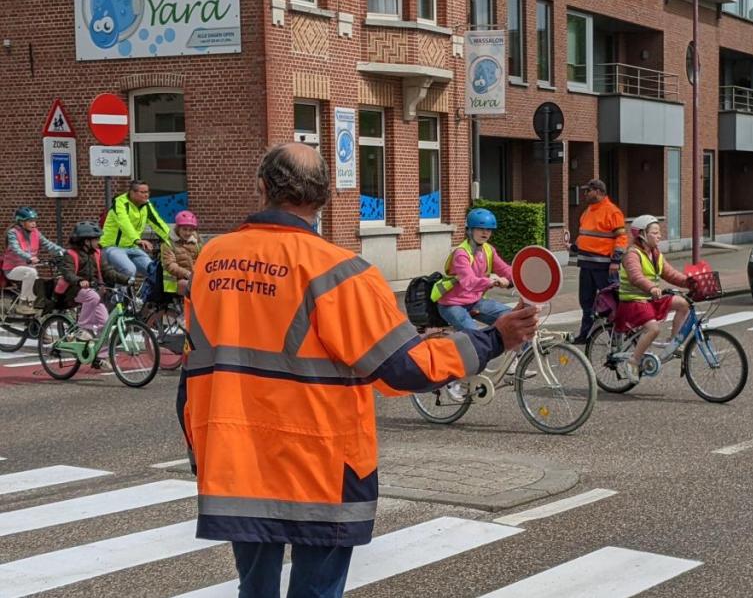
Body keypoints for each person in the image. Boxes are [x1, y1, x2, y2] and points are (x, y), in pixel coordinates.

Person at [178, 143, 539, 598]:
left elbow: (195, 368)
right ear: (325, 197)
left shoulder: (212, 261)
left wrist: (200, 450)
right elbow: (403, 369)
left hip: (236, 459)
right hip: (321, 468)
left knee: (254, 590)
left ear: (262, 188)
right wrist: (493, 339)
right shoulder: (341, 272)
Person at [616, 215, 690, 384]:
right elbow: (636, 277)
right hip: (633, 300)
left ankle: (674, 343)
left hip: (650, 298)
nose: (659, 236)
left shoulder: (655, 254)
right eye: (655, 233)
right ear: (642, 234)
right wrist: (651, 287)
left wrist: (689, 282)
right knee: (653, 329)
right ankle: (633, 361)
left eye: (659, 232)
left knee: (683, 303)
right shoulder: (632, 254)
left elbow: (670, 274)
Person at [432, 208, 514, 331]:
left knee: (512, 317)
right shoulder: (461, 253)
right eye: (480, 229)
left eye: (488, 229)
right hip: (453, 304)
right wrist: (492, 281)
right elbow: (469, 282)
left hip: (474, 301)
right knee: (474, 335)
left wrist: (521, 278)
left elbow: (504, 269)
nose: (485, 233)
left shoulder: (488, 250)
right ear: (470, 230)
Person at [571, 179, 628, 344]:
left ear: (597, 191)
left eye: (587, 191)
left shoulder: (612, 212)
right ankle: (585, 335)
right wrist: (575, 247)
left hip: (605, 267)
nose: (585, 194)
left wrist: (616, 261)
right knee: (586, 302)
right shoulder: (588, 211)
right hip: (586, 265)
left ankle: (615, 338)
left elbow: (621, 239)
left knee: (610, 303)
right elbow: (585, 235)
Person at [57, 221, 132, 342]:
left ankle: (101, 353)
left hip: (93, 291)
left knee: (105, 324)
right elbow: (68, 273)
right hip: (73, 290)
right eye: (96, 239)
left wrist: (126, 280)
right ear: (86, 241)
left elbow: (107, 271)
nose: (99, 242)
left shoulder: (97, 253)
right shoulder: (70, 254)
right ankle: (83, 328)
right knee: (92, 296)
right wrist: (79, 281)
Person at [99, 180, 170, 278]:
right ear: (132, 193)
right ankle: (120, 289)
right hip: (113, 247)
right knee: (129, 269)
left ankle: (147, 289)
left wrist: (172, 239)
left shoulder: (146, 205)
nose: (146, 195)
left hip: (132, 247)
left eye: (147, 192)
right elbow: (125, 223)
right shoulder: (120, 203)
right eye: (143, 192)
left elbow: (158, 222)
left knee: (154, 271)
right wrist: (137, 240)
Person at [2, 206, 64, 315]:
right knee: (31, 272)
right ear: (21, 222)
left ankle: (36, 314)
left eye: (34, 221)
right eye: (30, 221)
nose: (34, 224)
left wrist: (65, 252)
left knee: (41, 286)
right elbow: (16, 249)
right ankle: (23, 303)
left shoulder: (35, 233)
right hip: (12, 269)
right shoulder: (13, 233)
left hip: (28, 269)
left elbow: (48, 245)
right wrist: (29, 257)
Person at [160, 210, 202, 296]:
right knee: (192, 287)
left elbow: (204, 258)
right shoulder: (168, 243)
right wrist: (187, 274)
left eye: (190, 230)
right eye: (184, 229)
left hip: (194, 278)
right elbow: (170, 265)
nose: (187, 233)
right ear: (178, 228)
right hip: (175, 281)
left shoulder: (196, 242)